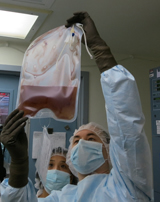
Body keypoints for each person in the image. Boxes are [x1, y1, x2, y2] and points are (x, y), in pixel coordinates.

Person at [0, 11, 153, 202]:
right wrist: (19, 164)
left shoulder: (125, 189)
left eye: (91, 139)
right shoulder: (60, 198)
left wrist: (100, 50)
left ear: (110, 151)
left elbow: (128, 130)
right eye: (76, 140)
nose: (81, 144)